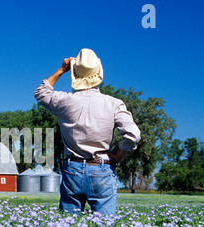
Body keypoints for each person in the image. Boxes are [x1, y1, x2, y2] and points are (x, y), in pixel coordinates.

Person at [34, 48, 141, 216]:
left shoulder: (65, 101)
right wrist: (119, 155)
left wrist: (62, 70)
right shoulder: (114, 104)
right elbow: (133, 135)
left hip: (72, 169)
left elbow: (41, 93)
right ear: (98, 73)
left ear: (75, 74)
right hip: (102, 168)